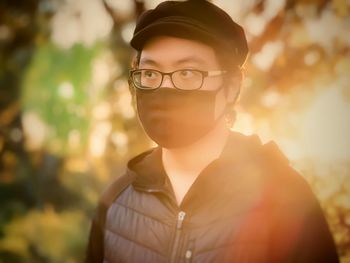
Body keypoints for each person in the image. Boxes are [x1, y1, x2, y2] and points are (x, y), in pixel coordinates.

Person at [86, 0, 339, 262]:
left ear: (231, 86)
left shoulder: (286, 199)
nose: (165, 87)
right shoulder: (115, 203)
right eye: (150, 73)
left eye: (187, 72)